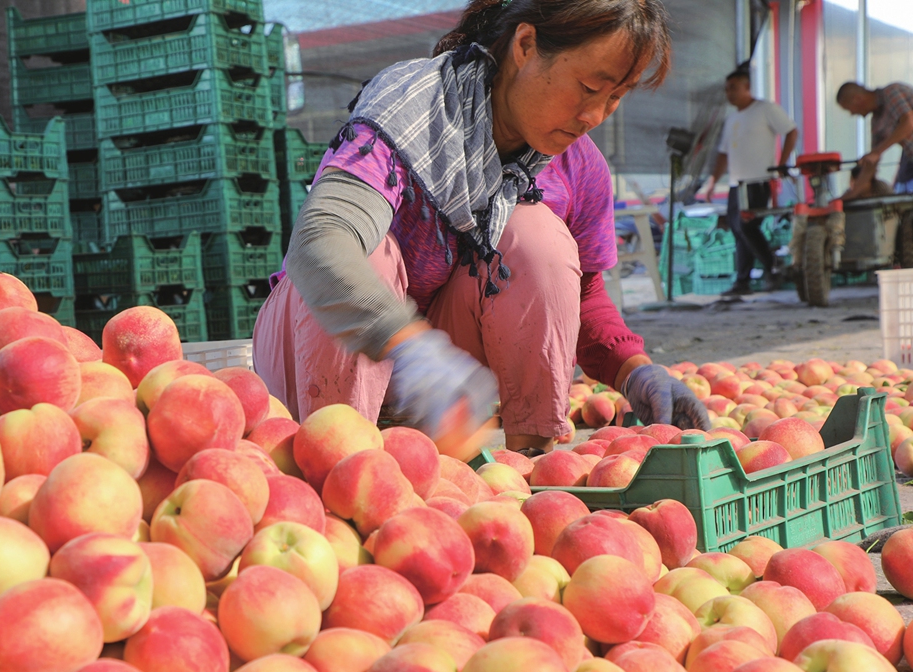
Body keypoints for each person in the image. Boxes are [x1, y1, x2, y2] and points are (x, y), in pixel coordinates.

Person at [252, 0, 709, 454]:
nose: (593, 116)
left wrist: (634, 370)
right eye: (588, 87)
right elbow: (320, 243)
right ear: (526, 45)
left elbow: (580, 293)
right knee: (371, 253)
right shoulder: (413, 108)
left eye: (613, 98)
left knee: (537, 239)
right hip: (328, 353)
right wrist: (407, 347)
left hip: (445, 396)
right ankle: (337, 462)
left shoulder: (575, 163)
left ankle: (529, 464)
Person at [704, 69, 798, 296]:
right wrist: (713, 181)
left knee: (747, 226)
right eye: (727, 90)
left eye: (734, 88)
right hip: (737, 183)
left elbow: (791, 131)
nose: (730, 94)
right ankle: (743, 280)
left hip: (759, 179)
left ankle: (773, 265)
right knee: (737, 229)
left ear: (747, 87)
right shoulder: (732, 119)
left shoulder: (765, 109)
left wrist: (782, 163)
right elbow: (723, 154)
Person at [836, 81, 913, 198]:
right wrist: (850, 195)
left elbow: (908, 122)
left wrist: (877, 152)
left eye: (849, 109)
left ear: (857, 99)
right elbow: (871, 165)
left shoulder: (891, 92)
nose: (852, 113)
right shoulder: (876, 122)